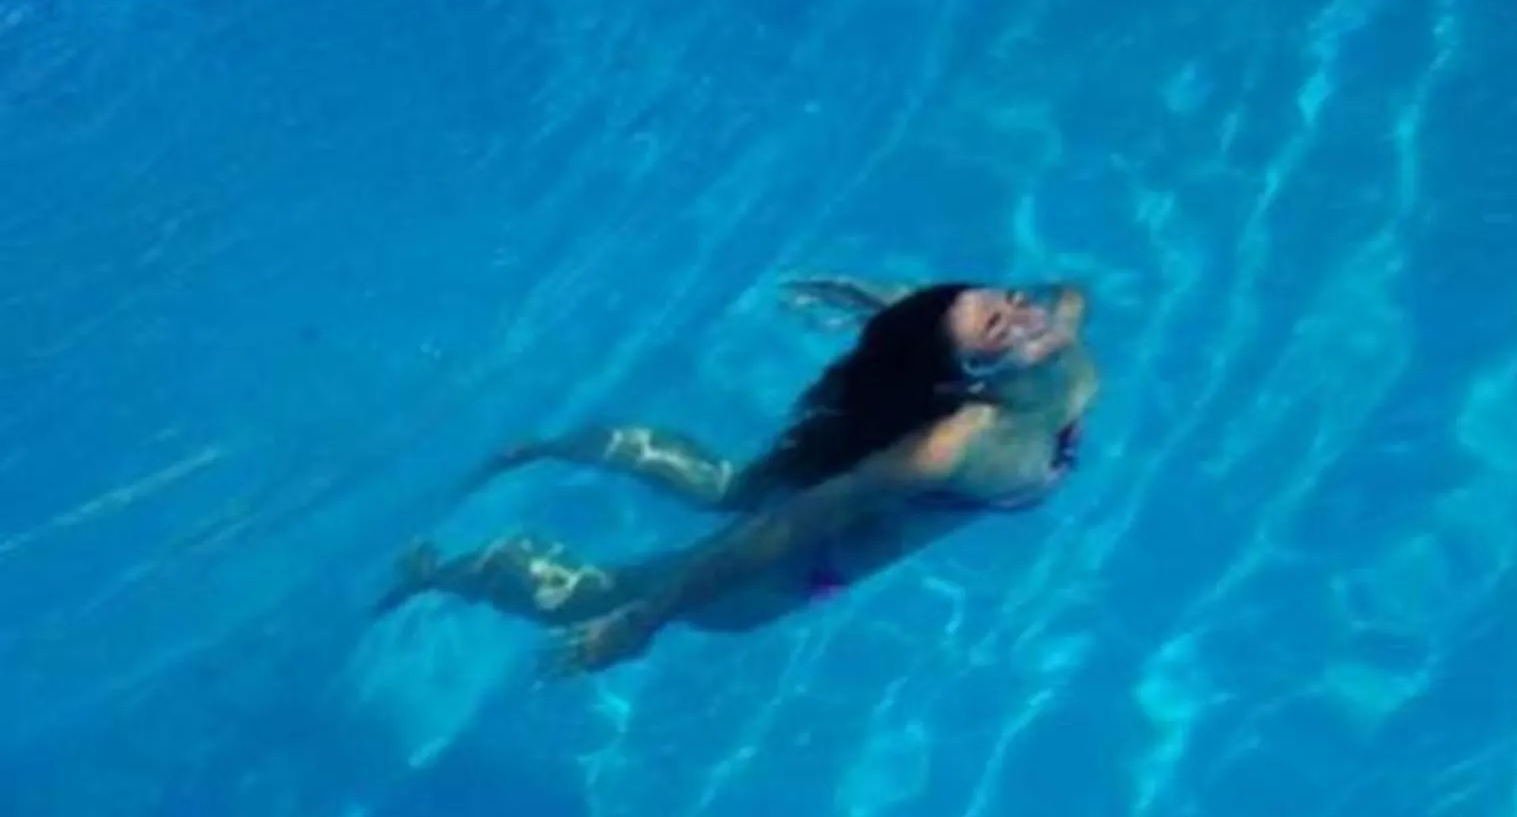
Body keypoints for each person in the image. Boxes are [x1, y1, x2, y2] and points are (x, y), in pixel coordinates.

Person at [380, 276, 1097, 675]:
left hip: (844, 485)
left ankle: (548, 445)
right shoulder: (946, 450)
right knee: (604, 595)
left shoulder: (1062, 324)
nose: (1028, 315)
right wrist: (643, 620)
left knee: (729, 487)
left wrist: (897, 313)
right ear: (965, 383)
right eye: (999, 325)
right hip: (800, 561)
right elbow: (783, 530)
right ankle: (436, 570)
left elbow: (1058, 297)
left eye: (1014, 302)